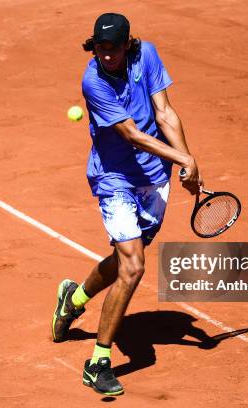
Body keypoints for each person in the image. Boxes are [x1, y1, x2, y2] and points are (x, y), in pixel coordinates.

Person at [51, 12, 202, 396]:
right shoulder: (93, 81)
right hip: (113, 178)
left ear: (127, 44)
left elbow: (165, 112)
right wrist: (183, 159)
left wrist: (187, 163)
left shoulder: (146, 54)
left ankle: (75, 297)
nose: (106, 56)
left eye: (113, 49)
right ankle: (98, 362)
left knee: (124, 259)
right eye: (100, 49)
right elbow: (132, 135)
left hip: (155, 178)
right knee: (134, 266)